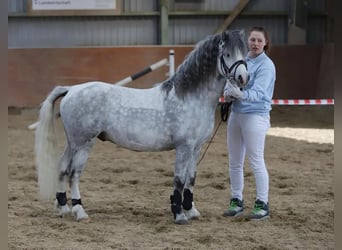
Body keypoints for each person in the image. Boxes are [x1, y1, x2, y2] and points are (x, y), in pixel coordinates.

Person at [222, 26, 276, 220]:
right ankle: (236, 199)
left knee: (256, 160)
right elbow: (231, 78)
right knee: (234, 162)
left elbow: (260, 92)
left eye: (259, 40)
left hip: (256, 116)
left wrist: (241, 94)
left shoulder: (267, 66)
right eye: (252, 39)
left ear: (265, 43)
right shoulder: (242, 59)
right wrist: (228, 92)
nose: (255, 43)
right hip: (237, 114)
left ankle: (262, 203)